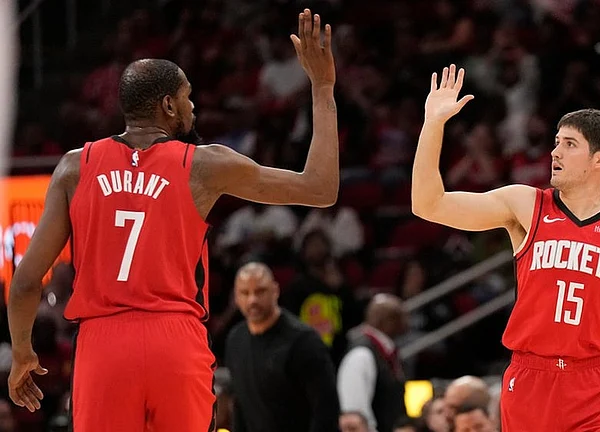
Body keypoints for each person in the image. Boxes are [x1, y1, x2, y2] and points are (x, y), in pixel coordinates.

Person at [7, 8, 338, 432]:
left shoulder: (76, 167)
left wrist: (22, 354)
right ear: (168, 105)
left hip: (102, 346)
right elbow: (320, 188)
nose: (193, 106)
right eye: (188, 97)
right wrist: (324, 89)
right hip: (175, 341)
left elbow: (26, 281)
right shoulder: (205, 164)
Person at [411, 64, 600, 431]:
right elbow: (428, 205)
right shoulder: (524, 204)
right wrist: (433, 124)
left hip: (595, 385)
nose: (555, 152)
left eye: (569, 145)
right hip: (528, 379)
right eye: (556, 142)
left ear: (599, 160)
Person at [225, 262, 339, 432]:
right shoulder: (235, 340)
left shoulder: (304, 341)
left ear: (275, 291)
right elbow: (240, 405)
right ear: (236, 297)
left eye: (260, 291)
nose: (252, 300)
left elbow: (326, 410)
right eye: (245, 293)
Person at [337, 294, 409, 432]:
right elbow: (354, 413)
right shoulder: (361, 354)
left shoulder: (385, 351)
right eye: (401, 317)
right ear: (387, 321)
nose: (406, 323)